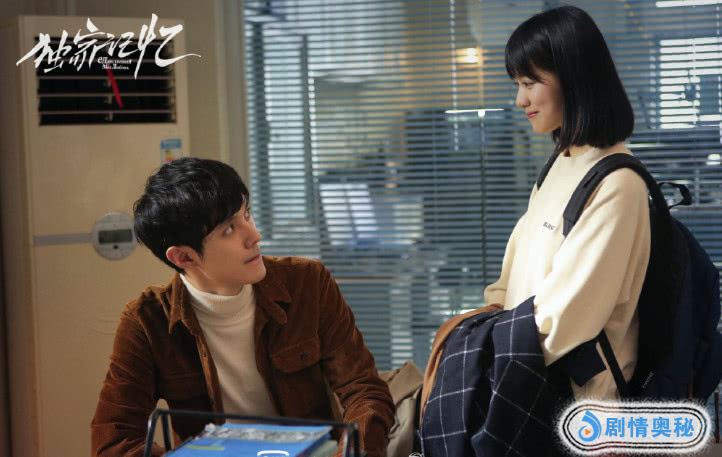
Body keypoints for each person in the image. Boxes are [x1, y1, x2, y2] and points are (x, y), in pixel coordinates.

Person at [423, 4, 651, 407]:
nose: (520, 99)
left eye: (529, 83)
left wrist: (478, 356)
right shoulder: (561, 163)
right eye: (518, 83)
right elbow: (513, 278)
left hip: (578, 408)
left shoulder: (617, 183)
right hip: (527, 380)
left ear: (574, 79)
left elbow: (565, 320)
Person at [91, 158, 394, 457]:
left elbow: (364, 390)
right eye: (228, 230)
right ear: (184, 257)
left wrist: (349, 453)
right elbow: (114, 441)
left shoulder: (307, 283)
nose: (254, 236)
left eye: (246, 215)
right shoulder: (147, 321)